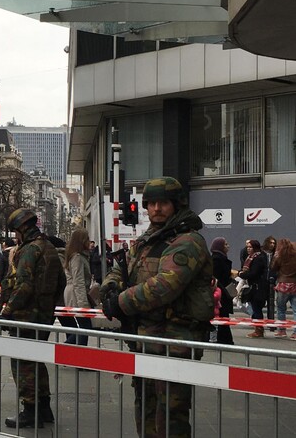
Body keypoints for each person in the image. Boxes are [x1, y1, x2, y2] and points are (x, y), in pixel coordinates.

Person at [100, 177, 213, 438]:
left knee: (171, 419)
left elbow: (165, 284)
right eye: (151, 204)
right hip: (148, 340)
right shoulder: (148, 240)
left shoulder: (188, 241)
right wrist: (110, 286)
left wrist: (119, 302)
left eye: (163, 203)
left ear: (176, 204)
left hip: (175, 342)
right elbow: (123, 267)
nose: (156, 209)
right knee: (146, 412)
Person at [0, 208, 64, 429]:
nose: (16, 236)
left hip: (25, 316)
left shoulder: (29, 250)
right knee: (37, 360)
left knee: (23, 363)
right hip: (43, 315)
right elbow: (61, 283)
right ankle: (44, 408)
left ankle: (30, 410)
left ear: (23, 228)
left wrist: (7, 310)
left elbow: (23, 285)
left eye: (16, 231)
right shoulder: (49, 248)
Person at [60, 228, 94, 346]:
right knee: (85, 328)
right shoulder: (77, 257)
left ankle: (69, 352)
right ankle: (67, 350)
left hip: (73, 293)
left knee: (82, 328)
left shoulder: (76, 256)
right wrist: (83, 304)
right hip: (76, 294)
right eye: (87, 239)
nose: (89, 241)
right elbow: (78, 281)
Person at [239, 239, 269, 337]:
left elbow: (253, 273)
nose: (248, 249)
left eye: (250, 247)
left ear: (255, 247)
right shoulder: (251, 257)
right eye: (247, 247)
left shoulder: (258, 257)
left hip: (258, 287)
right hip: (253, 286)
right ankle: (257, 328)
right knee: (255, 308)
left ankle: (259, 330)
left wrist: (241, 274)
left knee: (257, 309)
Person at [209, 237, 235, 345]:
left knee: (223, 316)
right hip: (220, 292)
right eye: (225, 244)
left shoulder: (221, 258)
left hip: (223, 290)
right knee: (222, 314)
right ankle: (224, 339)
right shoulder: (217, 259)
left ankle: (224, 338)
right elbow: (216, 277)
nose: (228, 246)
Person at [269, 238, 296, 338]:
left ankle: (282, 330)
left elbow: (273, 268)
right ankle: (295, 333)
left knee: (281, 308)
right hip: (295, 284)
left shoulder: (279, 255)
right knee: (295, 310)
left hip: (283, 283)